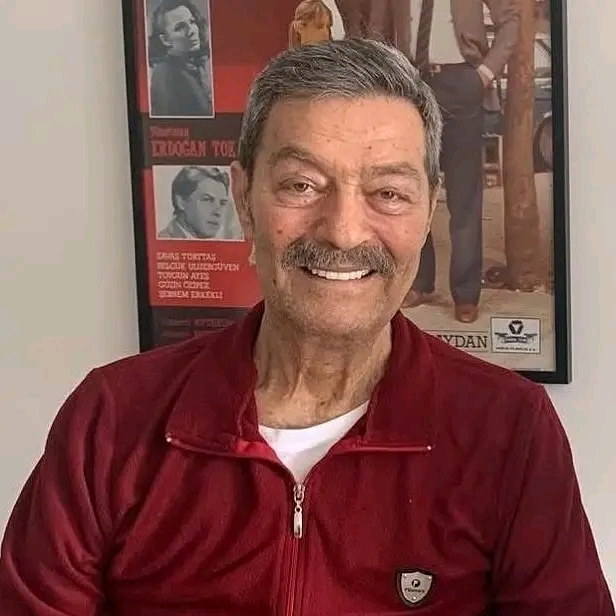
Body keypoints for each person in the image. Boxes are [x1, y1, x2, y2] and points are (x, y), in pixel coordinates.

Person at [0, 39, 613, 615]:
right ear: (243, 197)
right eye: (301, 185)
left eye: (388, 193)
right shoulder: (113, 418)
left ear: (429, 210)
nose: (343, 232)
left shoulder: (507, 429)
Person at [148, 0, 213, 117]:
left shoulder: (195, 66)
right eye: (180, 27)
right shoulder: (165, 74)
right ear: (165, 40)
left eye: (192, 22)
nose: (192, 31)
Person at [158, 165, 242, 240]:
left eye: (222, 203)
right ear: (181, 202)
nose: (218, 212)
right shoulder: (164, 240)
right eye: (207, 200)